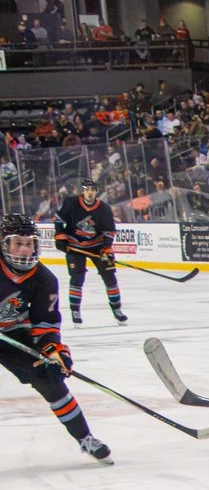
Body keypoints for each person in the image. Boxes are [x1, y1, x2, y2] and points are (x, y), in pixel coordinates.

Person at [0, 215, 111, 464]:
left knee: (49, 378)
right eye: (18, 243)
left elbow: (45, 324)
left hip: (12, 333)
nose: (25, 250)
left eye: (29, 243)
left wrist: (54, 351)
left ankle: (85, 437)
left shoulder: (44, 280)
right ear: (4, 244)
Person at [53, 179, 126, 325]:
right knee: (77, 278)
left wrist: (107, 249)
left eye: (92, 190)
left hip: (97, 246)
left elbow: (109, 231)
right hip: (75, 246)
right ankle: (75, 311)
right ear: (83, 191)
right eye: (87, 189)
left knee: (110, 277)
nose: (90, 192)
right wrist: (60, 236)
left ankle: (117, 309)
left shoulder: (104, 208)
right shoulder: (71, 203)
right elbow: (58, 220)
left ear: (97, 191)